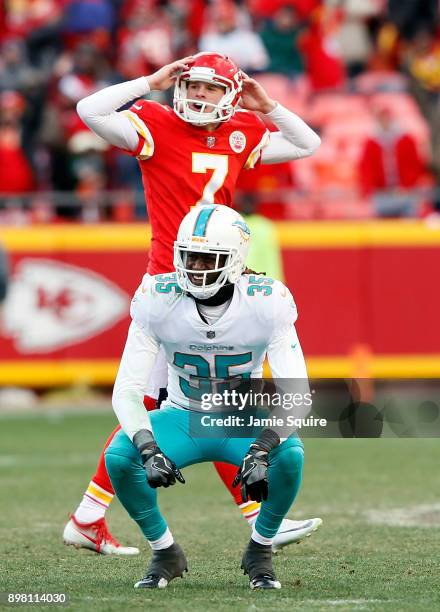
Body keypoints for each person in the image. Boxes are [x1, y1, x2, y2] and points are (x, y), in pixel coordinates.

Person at [63, 52, 321, 554]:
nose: (198, 96)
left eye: (210, 89)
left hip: (222, 279)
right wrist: (149, 82)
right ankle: (91, 515)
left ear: (228, 96)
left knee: (212, 402)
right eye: (193, 86)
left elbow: (307, 143)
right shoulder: (156, 121)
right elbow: (90, 110)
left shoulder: (241, 129)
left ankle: (93, 514)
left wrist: (267, 105)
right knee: (187, 404)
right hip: (172, 285)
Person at [105, 204, 310, 590]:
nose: (195, 268)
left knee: (290, 456)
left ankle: (260, 549)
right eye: (188, 257)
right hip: (182, 414)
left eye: (207, 258)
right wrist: (148, 449)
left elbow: (296, 392)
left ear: (235, 261)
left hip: (240, 418)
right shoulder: (156, 297)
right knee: (119, 457)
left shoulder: (267, 302)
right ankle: (165, 550)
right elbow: (127, 390)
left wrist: (263, 448)